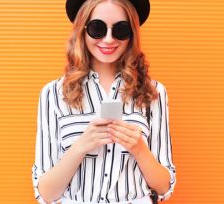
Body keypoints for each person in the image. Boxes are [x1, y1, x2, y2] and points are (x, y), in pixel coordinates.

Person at [31, 0, 176, 203]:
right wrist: (81, 145)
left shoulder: (153, 92)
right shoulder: (53, 93)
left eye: (120, 29)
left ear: (132, 34)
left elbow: (164, 187)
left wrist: (139, 149)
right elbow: (45, 193)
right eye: (97, 28)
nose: (108, 39)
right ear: (83, 29)